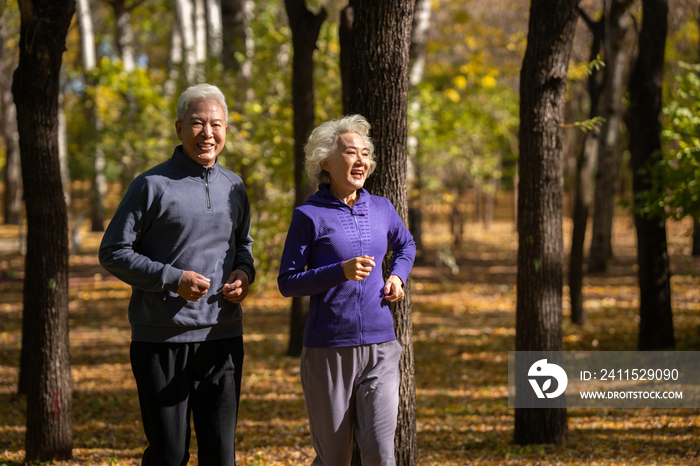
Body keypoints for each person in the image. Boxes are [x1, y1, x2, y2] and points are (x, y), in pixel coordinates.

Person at [99, 83, 254, 466]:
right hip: (161, 339)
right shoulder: (150, 185)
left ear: (226, 131)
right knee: (169, 455)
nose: (207, 133)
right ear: (178, 128)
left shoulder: (234, 185)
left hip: (222, 337)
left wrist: (243, 274)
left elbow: (244, 245)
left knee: (221, 455)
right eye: (197, 123)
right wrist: (172, 278)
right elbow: (113, 252)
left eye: (215, 124)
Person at [277, 114, 416, 466]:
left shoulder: (382, 207)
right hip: (329, 350)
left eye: (365, 153)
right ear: (326, 161)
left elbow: (407, 245)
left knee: (382, 456)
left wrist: (397, 277)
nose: (361, 161)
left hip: (382, 346)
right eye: (351, 152)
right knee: (335, 459)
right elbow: (288, 282)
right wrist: (338, 271)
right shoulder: (308, 215)